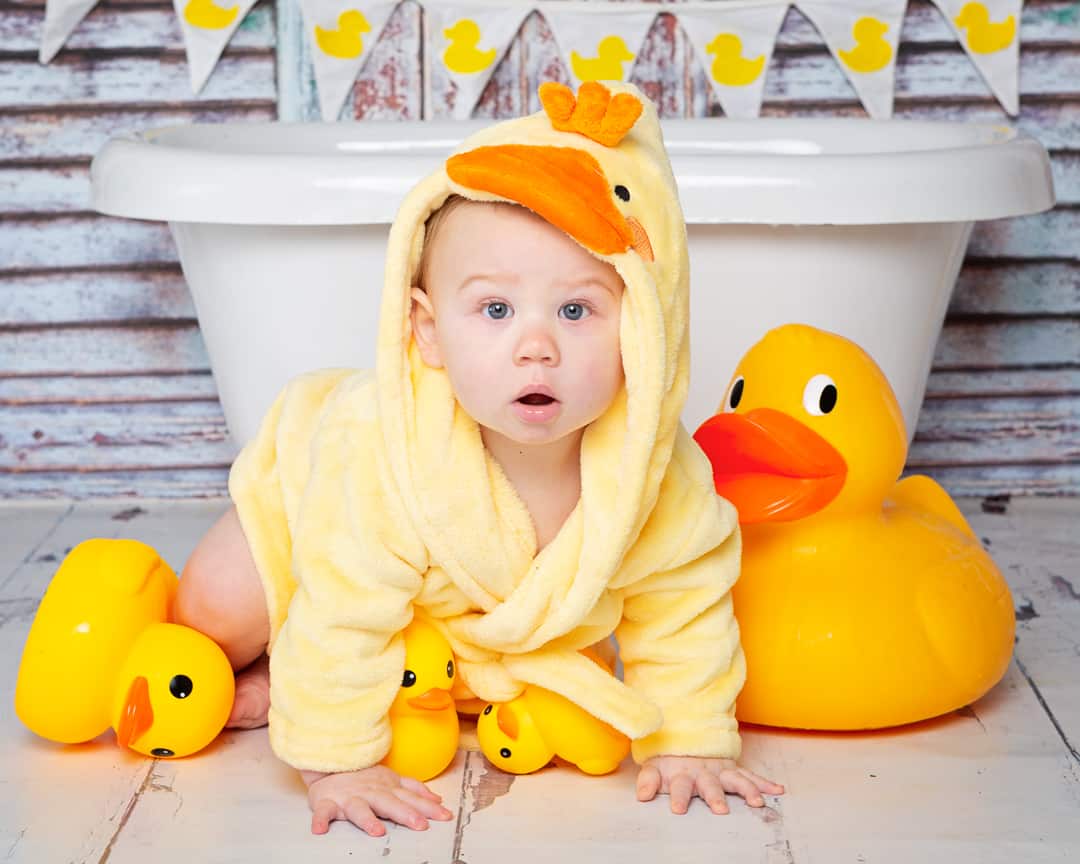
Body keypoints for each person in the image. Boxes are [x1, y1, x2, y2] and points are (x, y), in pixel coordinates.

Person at [175, 80, 784, 837]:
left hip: (456, 623)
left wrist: (692, 738)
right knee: (213, 609)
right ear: (427, 331)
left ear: (643, 327)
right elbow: (343, 604)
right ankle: (264, 658)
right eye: (495, 309)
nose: (537, 345)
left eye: (576, 309)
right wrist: (338, 759)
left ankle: (386, 675)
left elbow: (684, 604)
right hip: (307, 514)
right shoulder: (381, 454)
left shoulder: (660, 477)